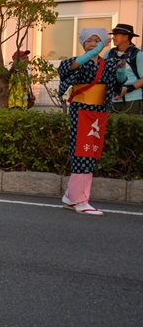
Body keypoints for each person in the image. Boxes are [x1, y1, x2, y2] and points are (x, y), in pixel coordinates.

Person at [57, 28, 128, 215]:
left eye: (97, 40)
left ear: (104, 43)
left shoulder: (108, 64)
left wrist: (120, 72)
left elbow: (117, 85)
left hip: (98, 112)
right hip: (81, 110)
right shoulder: (78, 62)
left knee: (91, 152)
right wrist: (91, 55)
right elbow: (65, 70)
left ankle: (71, 196)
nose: (92, 43)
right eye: (89, 40)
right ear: (83, 44)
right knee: (82, 151)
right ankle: (80, 200)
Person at [107, 24, 142, 115]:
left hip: (132, 100)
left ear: (126, 37)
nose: (113, 38)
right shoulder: (109, 54)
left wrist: (127, 89)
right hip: (111, 100)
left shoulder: (137, 54)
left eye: (116, 35)